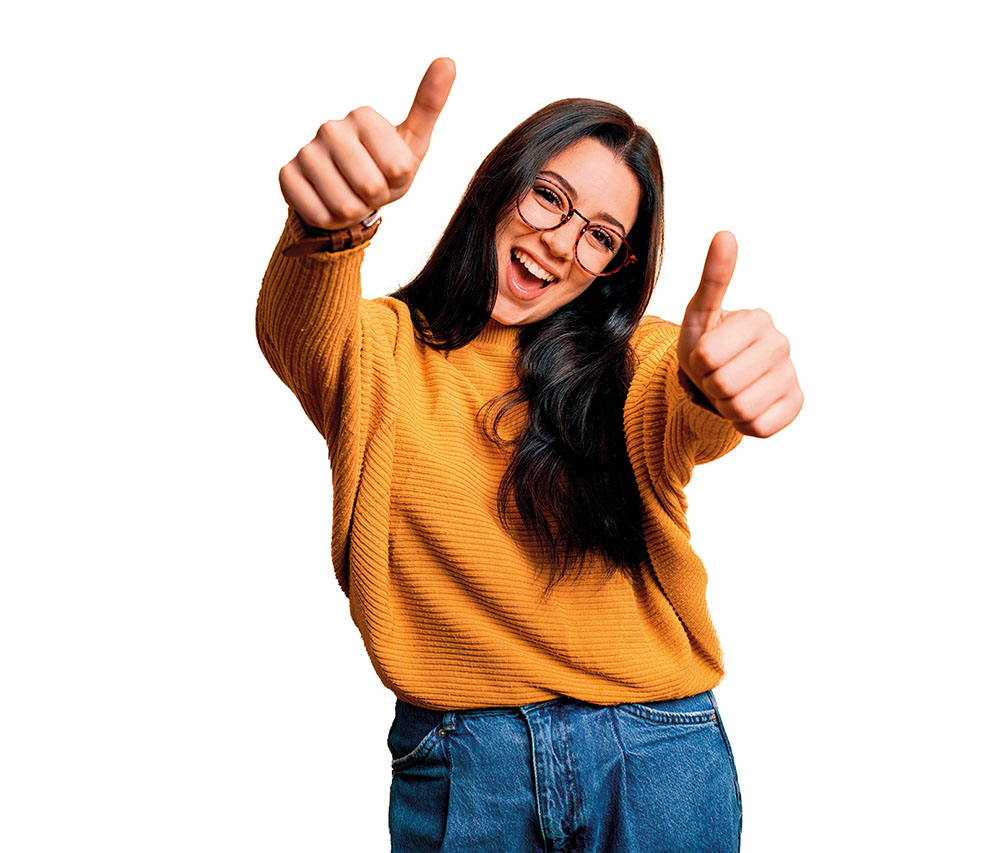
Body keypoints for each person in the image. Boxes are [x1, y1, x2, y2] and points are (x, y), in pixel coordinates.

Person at [255, 57, 802, 853]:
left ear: (616, 266)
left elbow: (679, 405)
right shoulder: (374, 353)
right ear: (500, 186)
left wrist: (717, 385)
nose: (560, 242)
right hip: (466, 766)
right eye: (550, 196)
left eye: (601, 236)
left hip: (655, 758)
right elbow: (299, 316)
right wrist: (328, 228)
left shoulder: (636, 363)